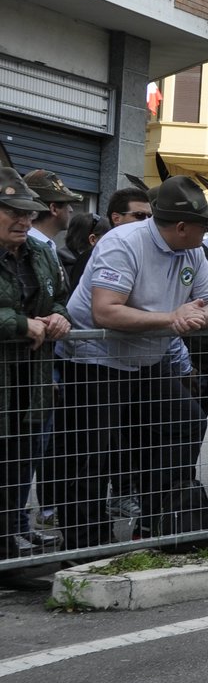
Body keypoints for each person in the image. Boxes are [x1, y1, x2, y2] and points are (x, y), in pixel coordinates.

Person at [57, 176, 208, 551]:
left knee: (184, 421)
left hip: (146, 358)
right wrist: (171, 318)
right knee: (93, 453)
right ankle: (88, 548)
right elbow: (105, 311)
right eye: (204, 224)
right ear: (181, 227)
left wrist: (193, 318)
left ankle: (158, 521)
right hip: (96, 360)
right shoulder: (123, 244)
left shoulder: (192, 251)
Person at [0, 174, 69, 561]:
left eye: (29, 213)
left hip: (32, 383)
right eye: (13, 211)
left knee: (18, 469)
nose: (24, 221)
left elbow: (58, 298)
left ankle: (9, 549)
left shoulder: (39, 252)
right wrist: (18, 323)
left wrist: (58, 318)